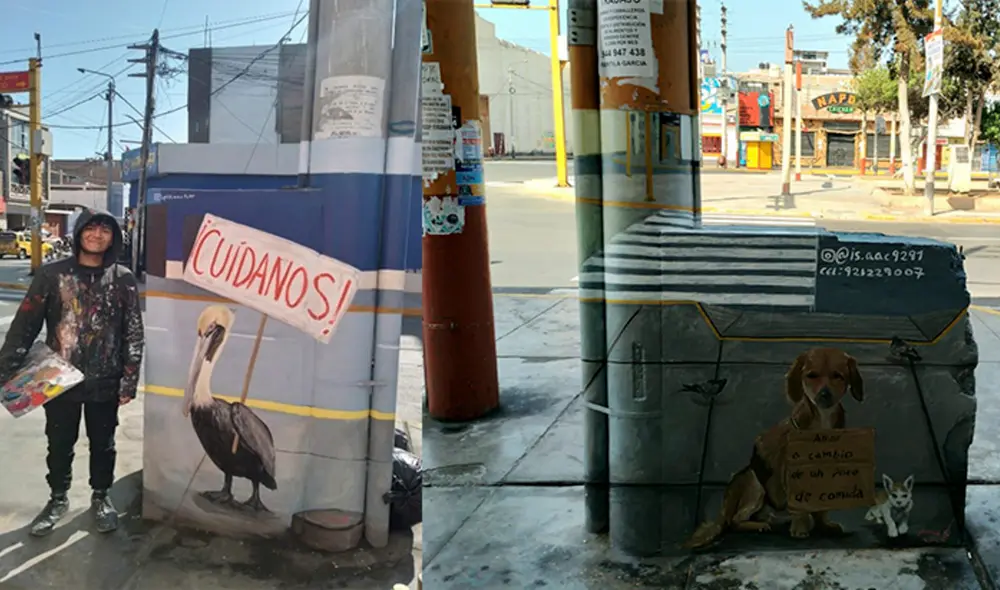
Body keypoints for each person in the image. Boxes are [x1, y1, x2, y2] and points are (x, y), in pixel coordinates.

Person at [0, 209, 144, 537]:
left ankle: (101, 496)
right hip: (57, 378)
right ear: (79, 232)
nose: (97, 235)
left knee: (103, 443)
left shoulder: (122, 279)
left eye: (105, 230)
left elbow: (133, 333)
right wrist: (6, 371)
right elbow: (25, 326)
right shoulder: (52, 275)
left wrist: (129, 379)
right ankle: (57, 498)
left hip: (105, 381)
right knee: (59, 442)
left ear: (113, 237)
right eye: (91, 228)